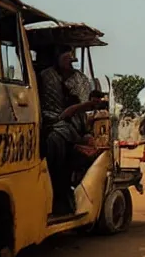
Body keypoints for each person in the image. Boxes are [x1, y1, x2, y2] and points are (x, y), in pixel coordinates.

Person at [38, 45, 107, 215]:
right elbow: (60, 113)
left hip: (70, 124)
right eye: (66, 57)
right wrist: (83, 106)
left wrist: (86, 109)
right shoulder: (47, 77)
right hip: (51, 120)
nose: (70, 61)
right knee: (56, 138)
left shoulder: (79, 79)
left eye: (71, 58)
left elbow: (77, 112)